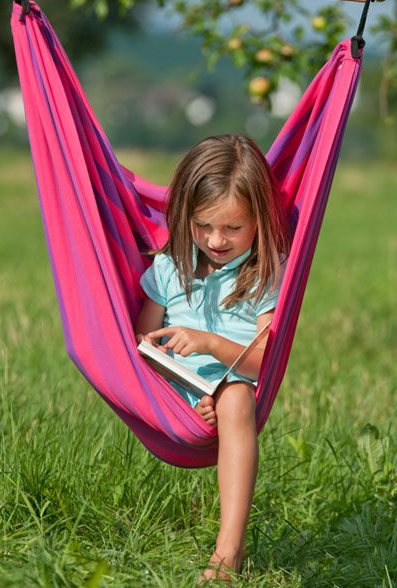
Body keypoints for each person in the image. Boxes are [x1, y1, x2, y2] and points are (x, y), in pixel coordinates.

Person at [134, 134, 286, 583]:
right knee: (224, 397)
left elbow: (265, 361)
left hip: (235, 392)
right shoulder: (169, 267)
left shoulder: (268, 272)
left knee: (235, 397)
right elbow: (145, 343)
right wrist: (182, 383)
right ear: (186, 217)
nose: (216, 240)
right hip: (173, 395)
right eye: (203, 226)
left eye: (232, 229)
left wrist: (210, 344)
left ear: (259, 220)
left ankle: (227, 554)